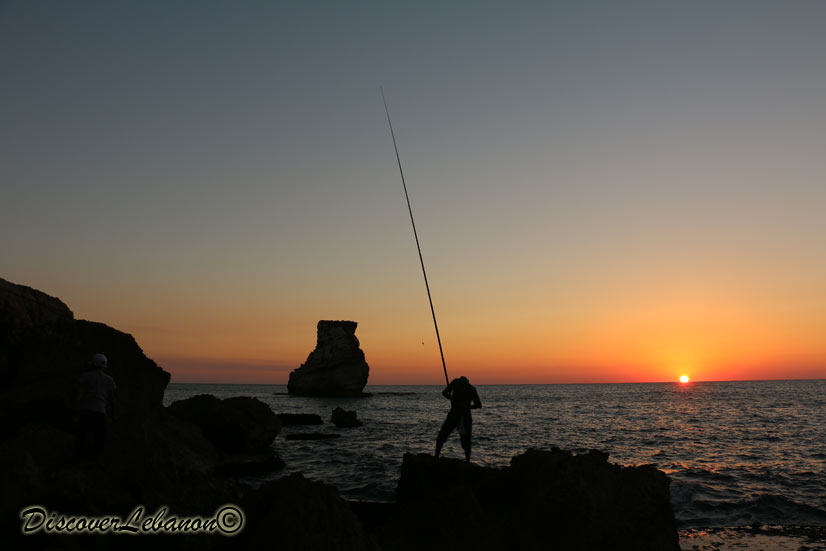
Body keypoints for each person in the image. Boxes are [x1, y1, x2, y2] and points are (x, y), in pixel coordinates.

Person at [76, 353, 117, 459]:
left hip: (85, 409)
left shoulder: (85, 376)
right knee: (100, 437)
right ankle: (93, 458)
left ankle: (79, 457)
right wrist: (113, 413)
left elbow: (78, 392)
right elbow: (112, 399)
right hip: (100, 411)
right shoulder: (109, 380)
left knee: (82, 435)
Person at [435, 376, 482, 462]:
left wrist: (467, 406)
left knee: (466, 440)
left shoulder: (471, 389)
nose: (462, 387)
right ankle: (436, 457)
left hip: (464, 417)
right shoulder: (455, 383)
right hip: (453, 414)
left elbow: (479, 404)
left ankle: (467, 461)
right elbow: (445, 393)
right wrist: (451, 397)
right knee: (442, 435)